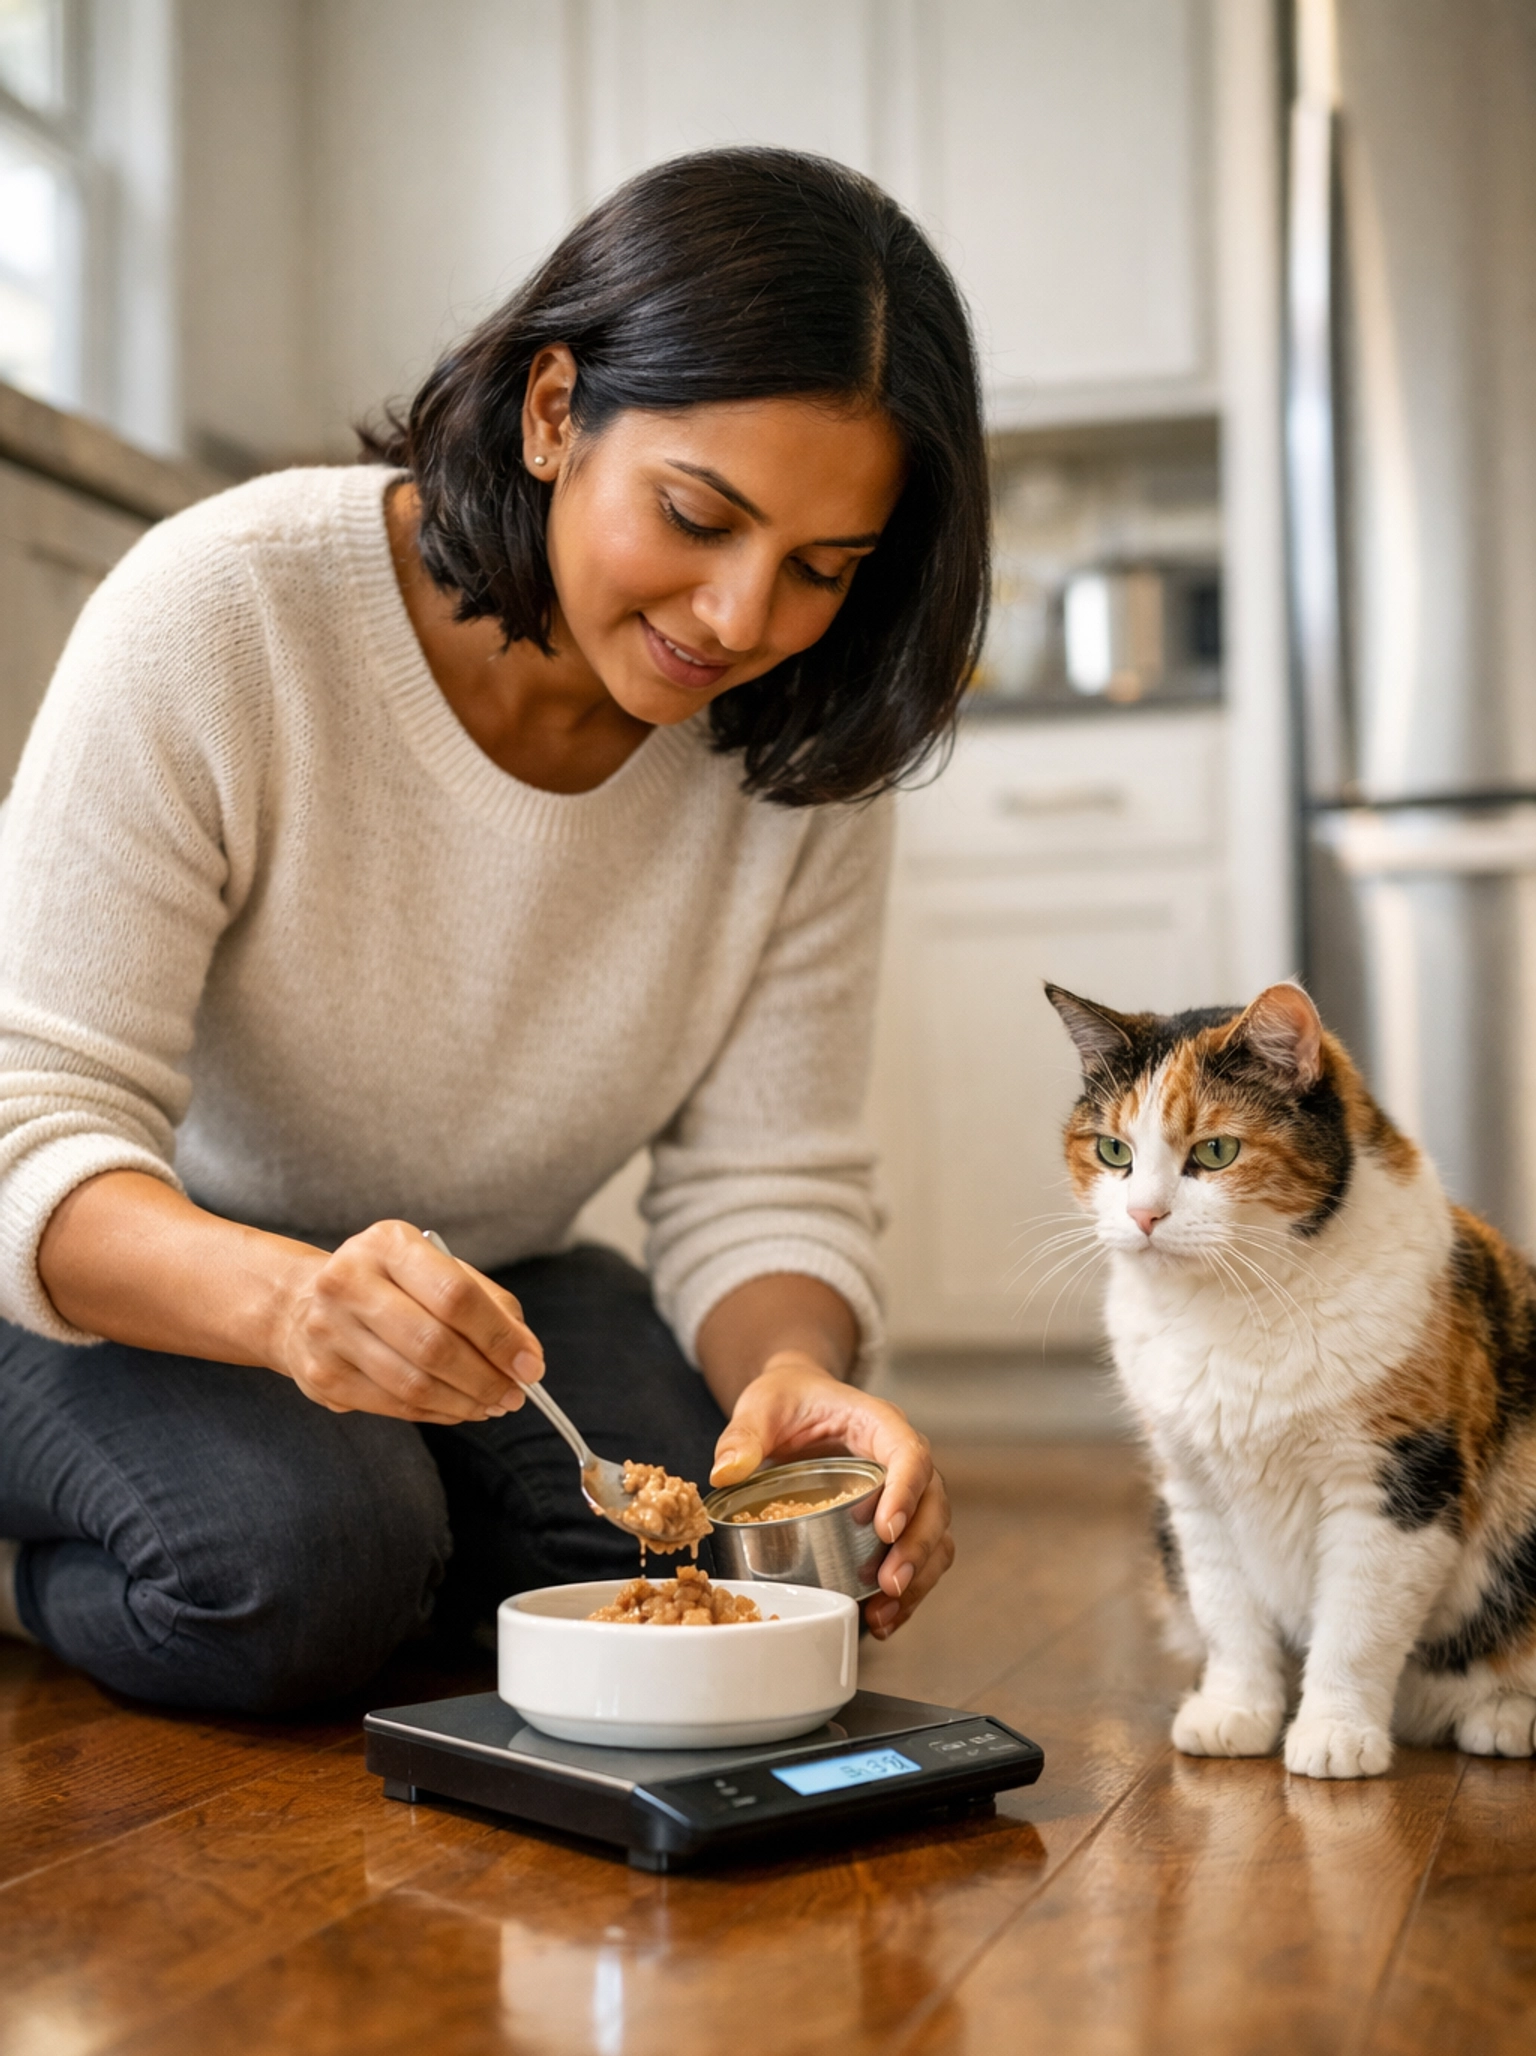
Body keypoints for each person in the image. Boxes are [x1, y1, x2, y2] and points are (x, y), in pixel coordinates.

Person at [0, 147, 988, 1711]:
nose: (740, 620)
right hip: (129, 1262)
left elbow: (765, 1177)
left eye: (820, 569)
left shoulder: (792, 744)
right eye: (696, 516)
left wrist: (790, 1379)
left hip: (499, 1273)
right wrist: (288, 1306)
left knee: (746, 1566)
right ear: (551, 412)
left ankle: (414, 1533)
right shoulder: (229, 608)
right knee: (304, 1564)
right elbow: (30, 1124)